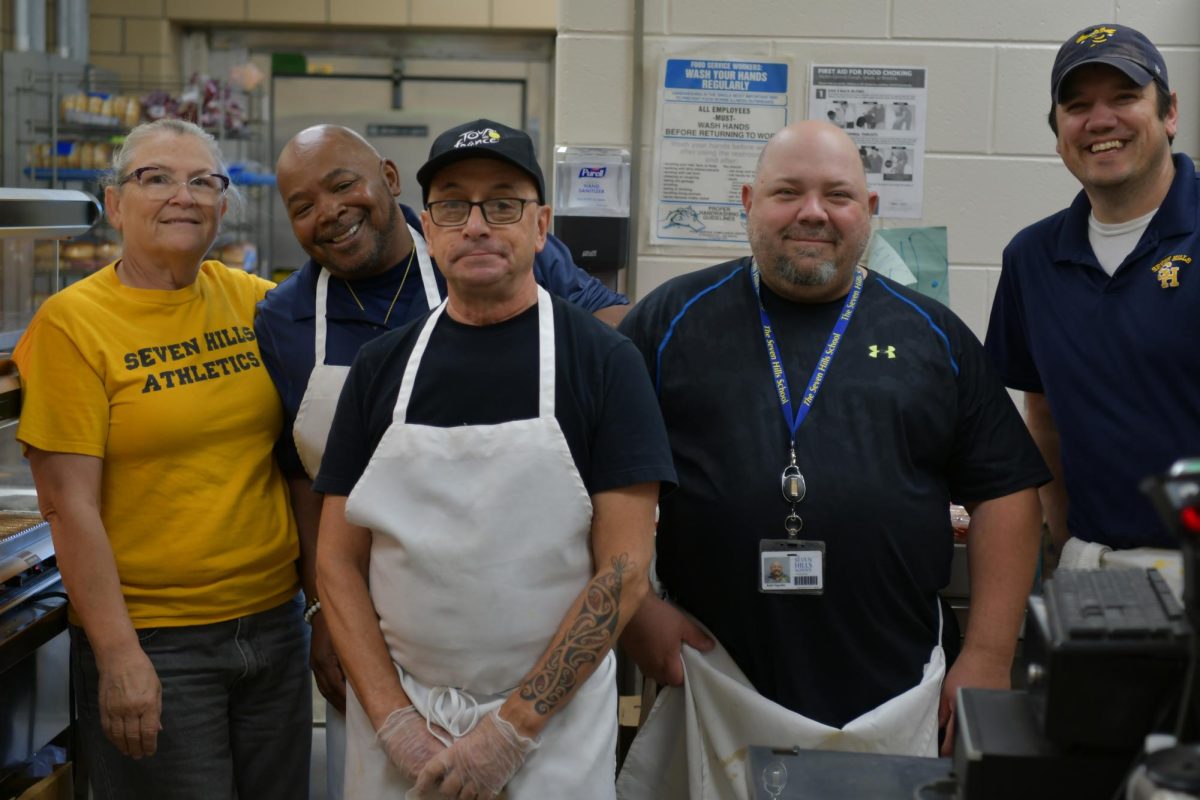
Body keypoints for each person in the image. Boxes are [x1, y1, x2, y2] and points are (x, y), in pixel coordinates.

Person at [615, 121, 1048, 797]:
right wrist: (634, 607)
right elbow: (601, 478)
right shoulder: (669, 322)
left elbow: (1008, 491)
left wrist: (990, 656)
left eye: (837, 195)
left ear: (870, 211)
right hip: (714, 680)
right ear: (748, 200)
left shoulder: (932, 335)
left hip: (899, 694)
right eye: (787, 192)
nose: (812, 212)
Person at [254, 123, 630, 799]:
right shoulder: (353, 356)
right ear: (428, 226)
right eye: (454, 206)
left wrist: (512, 731)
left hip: (555, 732)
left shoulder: (600, 361)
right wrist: (397, 723)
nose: (478, 225)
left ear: (542, 226)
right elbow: (333, 549)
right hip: (400, 718)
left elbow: (623, 568)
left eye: (504, 204)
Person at [14, 119, 310, 799]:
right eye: (156, 178)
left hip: (274, 627)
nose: (184, 196)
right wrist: (119, 656)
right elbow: (69, 505)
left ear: (223, 205)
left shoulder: (256, 302)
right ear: (115, 205)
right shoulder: (73, 323)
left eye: (203, 181)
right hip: (157, 642)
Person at [985, 24, 1200, 564]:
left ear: (1169, 112)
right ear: (1058, 131)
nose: (1100, 120)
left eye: (1125, 97)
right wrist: (1067, 545)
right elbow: (1044, 418)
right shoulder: (1030, 259)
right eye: (1077, 105)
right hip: (1095, 577)